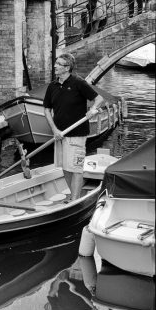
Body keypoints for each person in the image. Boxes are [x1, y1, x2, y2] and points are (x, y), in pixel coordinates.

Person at [43, 53, 104, 201]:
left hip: (76, 134)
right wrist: (54, 130)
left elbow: (99, 99)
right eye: (56, 63)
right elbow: (46, 109)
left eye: (58, 64)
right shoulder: (53, 86)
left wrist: (92, 110)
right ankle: (74, 196)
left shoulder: (78, 83)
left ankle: (75, 200)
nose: (55, 66)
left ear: (67, 68)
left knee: (75, 169)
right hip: (60, 134)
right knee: (65, 167)